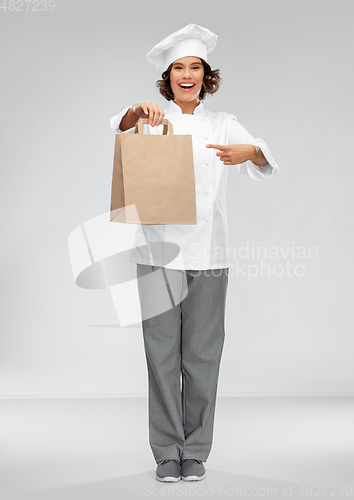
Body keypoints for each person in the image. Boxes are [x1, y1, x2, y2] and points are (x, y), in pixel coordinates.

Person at [110, 23, 279, 483]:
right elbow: (120, 127)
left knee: (203, 354)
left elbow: (262, 153)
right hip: (158, 255)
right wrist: (133, 113)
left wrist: (252, 153)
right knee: (160, 353)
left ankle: (196, 448)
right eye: (180, 67)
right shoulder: (151, 118)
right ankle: (167, 450)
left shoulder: (222, 123)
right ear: (168, 76)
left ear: (207, 76)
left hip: (210, 254)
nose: (188, 74)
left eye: (196, 67)